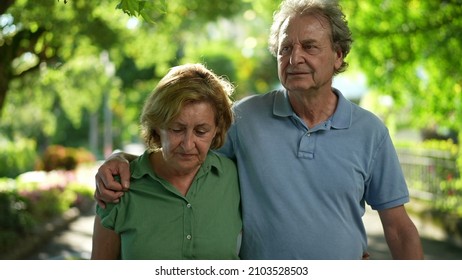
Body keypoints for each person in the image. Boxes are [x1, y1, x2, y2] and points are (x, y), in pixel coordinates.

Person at [94, 0, 424, 260]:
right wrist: (121, 159)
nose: (294, 58)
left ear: (338, 55)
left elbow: (398, 231)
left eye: (309, 47)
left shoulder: (370, 132)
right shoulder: (245, 119)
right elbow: (183, 154)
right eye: (285, 48)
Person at [91, 63, 242, 259]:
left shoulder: (233, 178)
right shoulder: (118, 189)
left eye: (201, 131)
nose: (188, 145)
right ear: (157, 127)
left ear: (216, 130)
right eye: (176, 129)